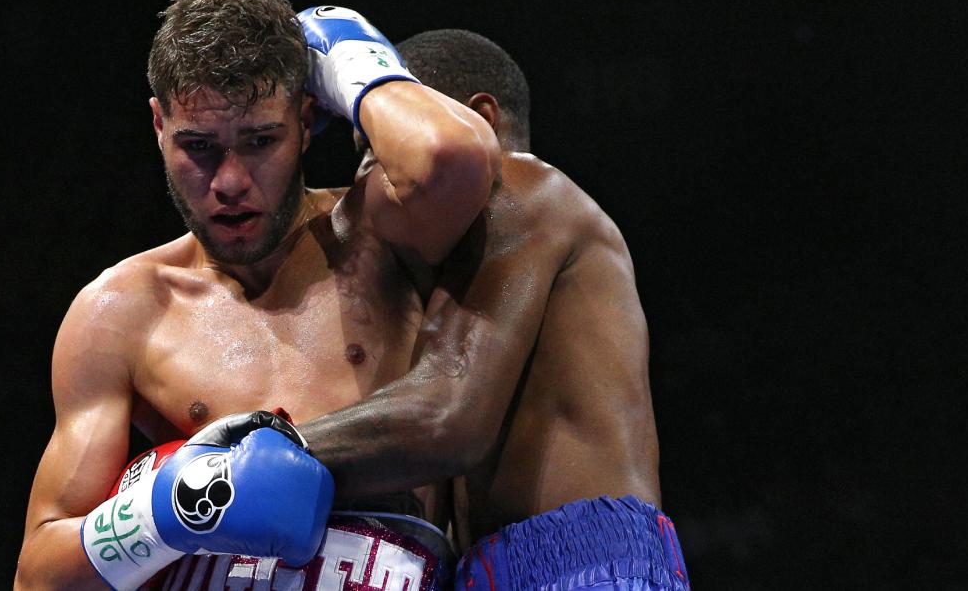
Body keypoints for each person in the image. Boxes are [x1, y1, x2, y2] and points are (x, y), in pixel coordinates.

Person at [14, 0, 499, 590]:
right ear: (159, 124)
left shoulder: (384, 241)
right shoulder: (122, 312)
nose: (230, 181)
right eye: (198, 147)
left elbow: (456, 156)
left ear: (306, 118)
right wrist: (165, 513)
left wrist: (348, 64)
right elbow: (38, 577)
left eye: (260, 141)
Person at [291, 29, 690, 589]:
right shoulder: (449, 271)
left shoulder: (526, 186)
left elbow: (444, 419)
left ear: (479, 120)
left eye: (378, 152)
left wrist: (251, 450)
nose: (365, 180)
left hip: (589, 564)